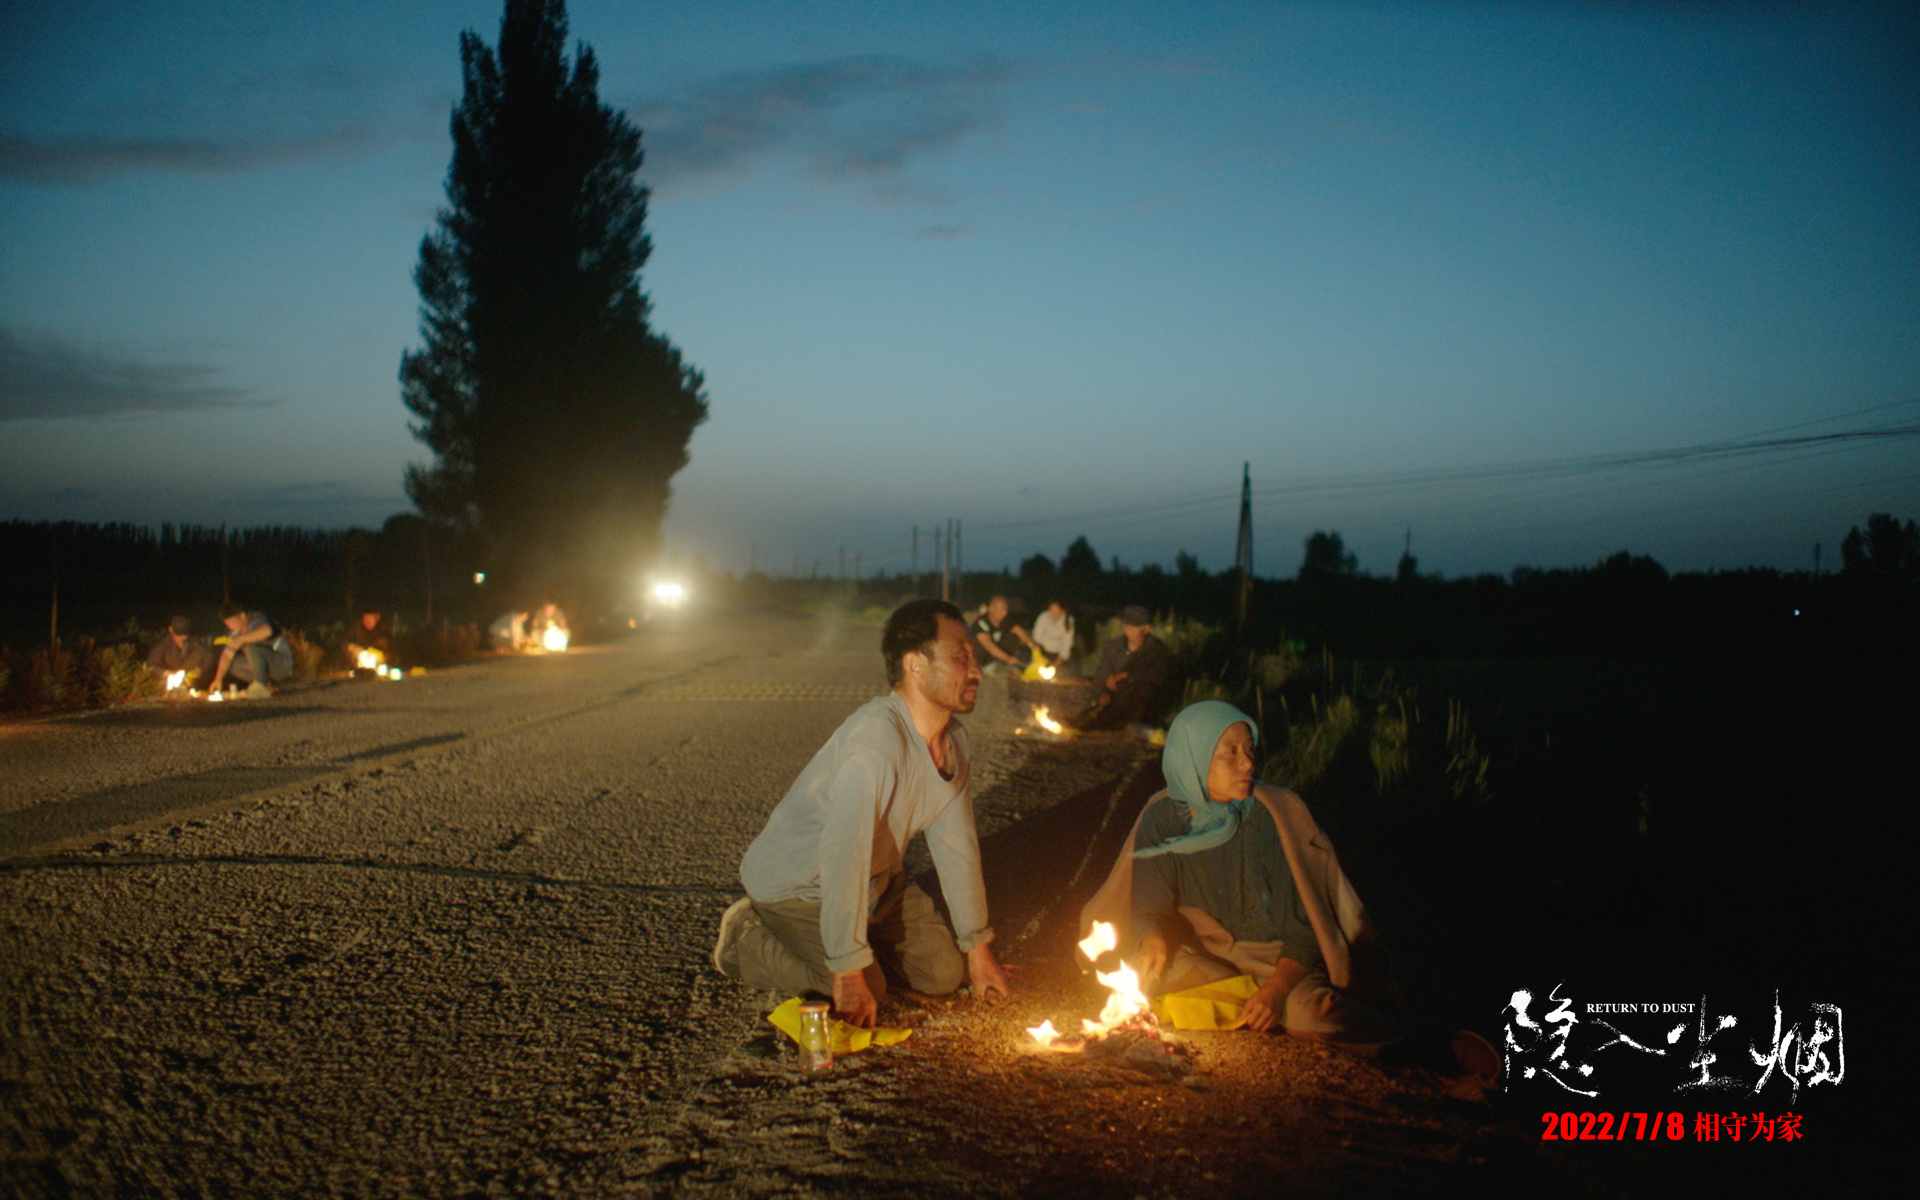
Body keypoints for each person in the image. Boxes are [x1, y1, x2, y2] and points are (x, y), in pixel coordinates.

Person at [713, 599, 1013, 1027]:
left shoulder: (955, 742)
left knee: (943, 974)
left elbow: (957, 847)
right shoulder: (877, 741)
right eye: (961, 656)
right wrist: (848, 970)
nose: (977, 670)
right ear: (914, 665)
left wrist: (978, 948)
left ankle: (849, 940)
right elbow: (843, 856)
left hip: (876, 883)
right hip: (801, 885)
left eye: (974, 656)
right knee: (861, 986)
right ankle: (744, 940)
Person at [1082, 700, 1405, 1047]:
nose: (1248, 763)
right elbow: (1149, 909)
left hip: (1279, 962)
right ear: (1195, 756)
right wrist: (1152, 936)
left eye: (1250, 750)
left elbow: (1305, 930)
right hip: (1208, 956)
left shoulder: (1271, 817)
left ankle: (1407, 1038)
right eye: (1231, 752)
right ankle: (1249, 1005)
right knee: (1138, 972)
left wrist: (1277, 989)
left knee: (1318, 1015)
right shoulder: (1162, 817)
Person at [1074, 605, 1171, 730]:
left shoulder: (1156, 650)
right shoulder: (1113, 647)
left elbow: (1158, 678)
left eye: (1133, 627)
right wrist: (1101, 694)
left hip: (1141, 705)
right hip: (1114, 703)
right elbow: (1102, 675)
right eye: (1126, 626)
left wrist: (1126, 675)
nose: (1128, 631)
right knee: (1083, 721)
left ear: (1146, 629)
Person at [206, 603, 295, 698]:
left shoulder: (256, 618)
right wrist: (218, 679)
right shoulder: (234, 633)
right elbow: (227, 655)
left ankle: (261, 687)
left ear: (242, 616)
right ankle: (267, 684)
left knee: (250, 647)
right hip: (266, 667)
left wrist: (241, 639)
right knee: (233, 664)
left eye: (233, 622)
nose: (231, 627)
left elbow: (267, 631)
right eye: (228, 624)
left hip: (282, 664)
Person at [145, 616, 215, 688]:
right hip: (169, 682)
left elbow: (209, 657)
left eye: (185, 634)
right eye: (180, 635)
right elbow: (151, 665)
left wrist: (200, 669)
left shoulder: (193, 641)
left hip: (192, 682)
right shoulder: (163, 644)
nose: (184, 638)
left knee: (199, 654)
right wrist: (168, 673)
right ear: (171, 630)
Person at [969, 595, 1031, 675]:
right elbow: (989, 646)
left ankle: (1000, 664)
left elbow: (1018, 630)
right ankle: (981, 667)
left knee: (1013, 637)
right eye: (1001, 610)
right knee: (980, 646)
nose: (1004, 613)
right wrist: (1007, 658)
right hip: (978, 656)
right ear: (991, 608)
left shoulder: (1003, 620)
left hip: (993, 656)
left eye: (1005, 610)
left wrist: (1031, 644)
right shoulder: (981, 623)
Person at [1029, 599, 1076, 676]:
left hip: (1059, 653)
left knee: (1060, 675)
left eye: (1056, 610)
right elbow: (1037, 635)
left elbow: (1067, 642)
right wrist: (1038, 650)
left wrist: (1061, 658)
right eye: (1051, 610)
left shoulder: (1068, 621)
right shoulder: (1043, 617)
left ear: (1062, 611)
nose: (1053, 612)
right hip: (1043, 650)